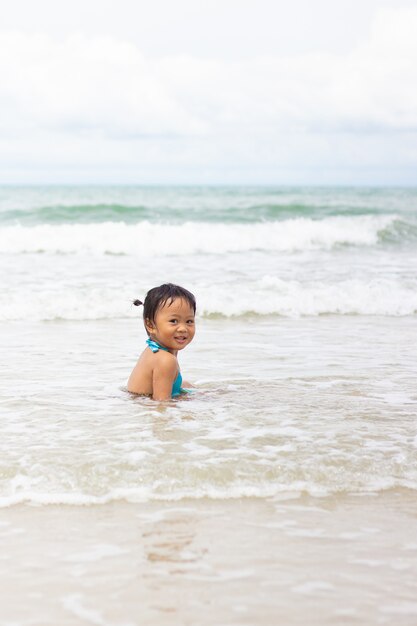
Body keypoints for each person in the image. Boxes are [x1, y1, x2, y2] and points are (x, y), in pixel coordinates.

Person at [127, 283, 196, 400]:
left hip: (137, 403)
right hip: (145, 407)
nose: (183, 328)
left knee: (189, 385)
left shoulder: (154, 351)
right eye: (174, 321)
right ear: (150, 325)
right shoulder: (166, 360)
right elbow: (162, 404)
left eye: (189, 321)